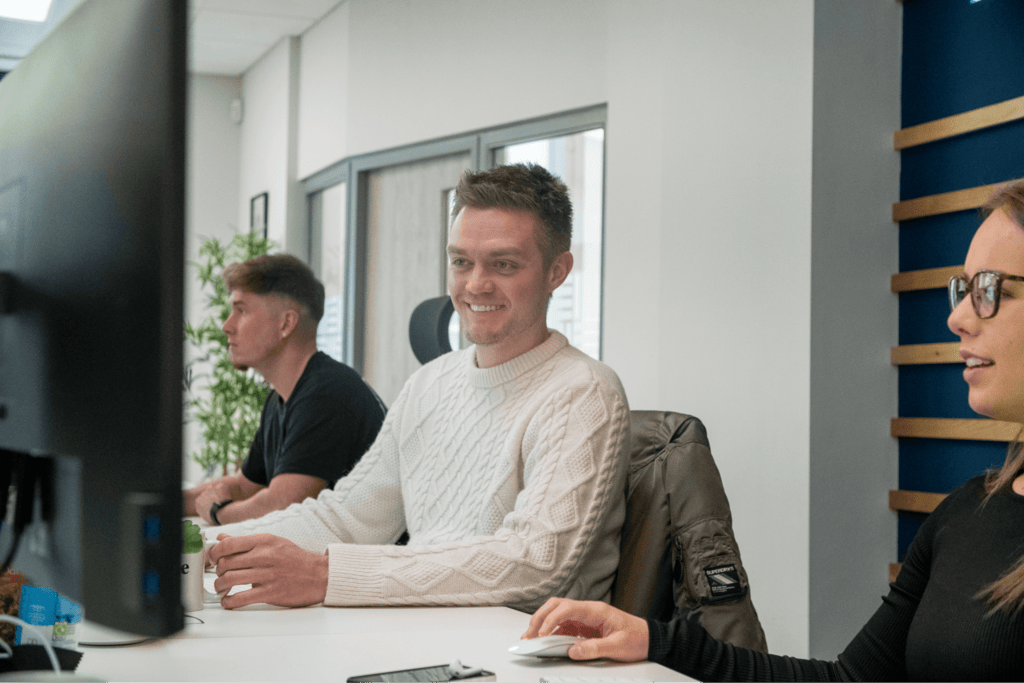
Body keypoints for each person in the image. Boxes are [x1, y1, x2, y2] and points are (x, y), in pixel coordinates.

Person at [522, 179, 1024, 680]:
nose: (957, 317)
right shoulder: (967, 511)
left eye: (989, 291)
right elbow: (850, 680)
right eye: (963, 290)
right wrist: (655, 641)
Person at [207, 164, 631, 612]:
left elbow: (534, 562)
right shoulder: (429, 384)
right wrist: (210, 544)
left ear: (556, 271)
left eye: (503, 264)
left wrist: (327, 575)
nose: (475, 284)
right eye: (461, 262)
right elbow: (348, 518)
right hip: (420, 632)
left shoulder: (583, 392)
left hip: (519, 656)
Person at [183, 253, 386, 527]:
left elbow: (284, 508)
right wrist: (169, 502)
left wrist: (219, 512)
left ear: (286, 324)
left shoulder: (327, 393)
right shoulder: (280, 398)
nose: (226, 326)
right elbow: (244, 487)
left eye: (241, 310)